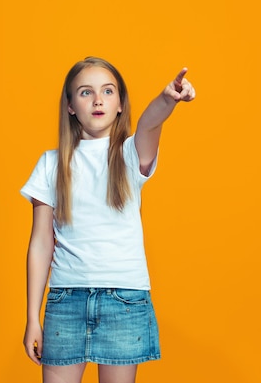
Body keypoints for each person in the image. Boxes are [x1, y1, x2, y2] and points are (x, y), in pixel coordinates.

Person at [20, 56, 195, 383]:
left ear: (120, 104)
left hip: (124, 300)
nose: (98, 99)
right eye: (85, 92)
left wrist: (166, 99)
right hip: (65, 299)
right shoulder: (50, 164)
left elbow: (150, 123)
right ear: (70, 106)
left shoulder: (130, 155)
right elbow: (41, 243)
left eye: (108, 91)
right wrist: (32, 317)